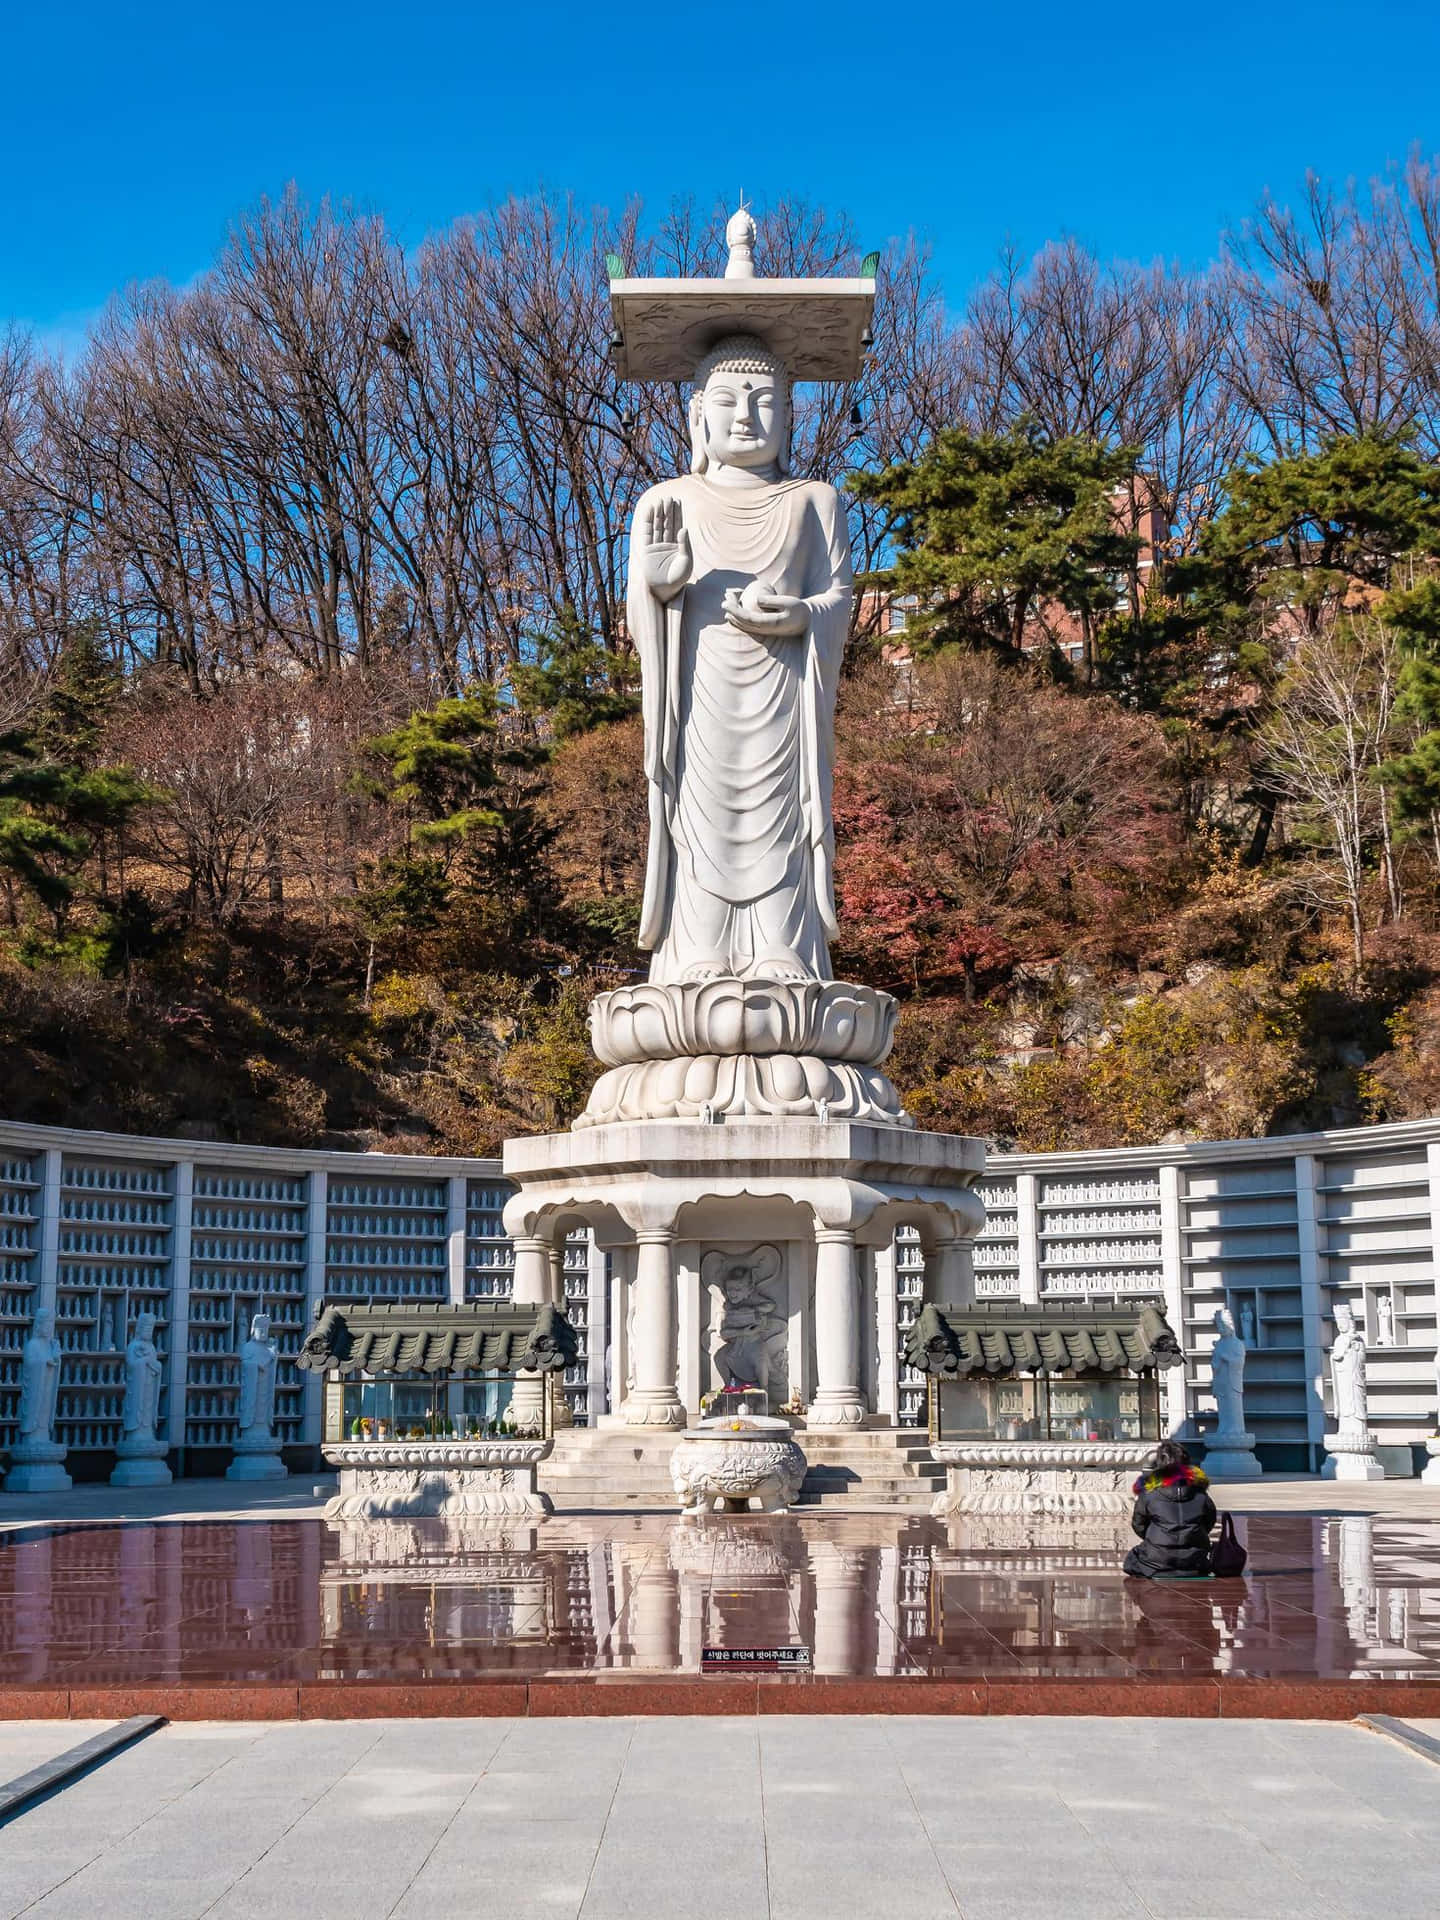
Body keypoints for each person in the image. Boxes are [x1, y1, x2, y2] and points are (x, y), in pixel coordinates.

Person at [1123, 1439, 1217, 1579]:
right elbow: (1209, 1521)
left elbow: (1138, 1524)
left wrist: (1155, 1537)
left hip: (1158, 1561)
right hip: (1195, 1560)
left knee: (1132, 1559)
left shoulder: (1149, 1494)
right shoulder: (1200, 1494)